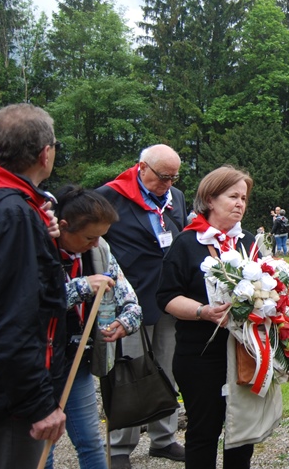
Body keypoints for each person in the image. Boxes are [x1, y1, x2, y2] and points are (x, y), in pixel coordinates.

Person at [158, 166, 273, 468]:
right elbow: (166, 297)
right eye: (233, 196)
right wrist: (203, 312)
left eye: (244, 198)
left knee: (242, 434)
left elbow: (268, 288)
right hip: (200, 354)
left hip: (245, 352)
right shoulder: (186, 243)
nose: (240, 204)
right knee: (204, 432)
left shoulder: (248, 241)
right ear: (210, 199)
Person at [0, 104, 67, 469]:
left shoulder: (10, 206)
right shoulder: (12, 214)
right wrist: (38, 403)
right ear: (45, 154)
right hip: (4, 399)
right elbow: (13, 316)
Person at [97, 144, 188, 468]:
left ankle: (164, 438)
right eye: (163, 177)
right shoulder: (110, 196)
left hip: (170, 297)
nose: (168, 184)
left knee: (167, 367)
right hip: (130, 300)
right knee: (129, 371)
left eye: (173, 177)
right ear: (142, 167)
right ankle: (120, 445)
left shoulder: (175, 197)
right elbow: (95, 243)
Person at [46, 186, 142, 469]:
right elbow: (31, 303)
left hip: (78, 360)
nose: (95, 243)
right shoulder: (40, 250)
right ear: (64, 227)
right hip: (41, 361)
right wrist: (81, 287)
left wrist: (126, 321)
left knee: (91, 440)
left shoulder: (99, 249)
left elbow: (129, 299)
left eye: (101, 236)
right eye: (89, 237)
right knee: (43, 443)